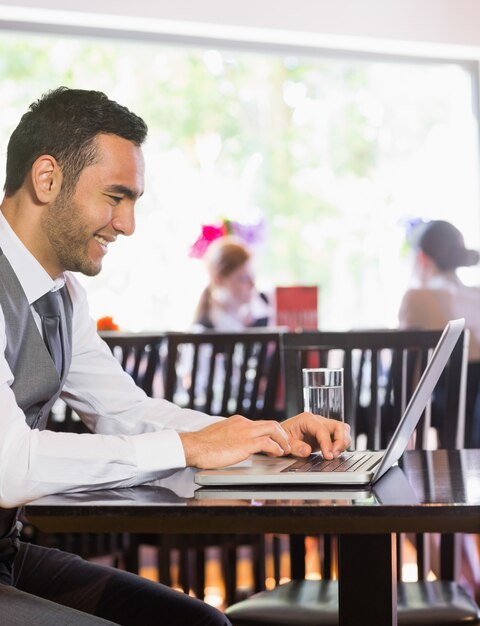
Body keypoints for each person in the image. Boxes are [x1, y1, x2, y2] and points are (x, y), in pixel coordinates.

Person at [0, 87, 351, 626]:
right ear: (47, 179)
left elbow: (127, 411)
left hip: (7, 558)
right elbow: (8, 467)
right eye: (115, 197)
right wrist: (188, 447)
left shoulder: (64, 297)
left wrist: (264, 434)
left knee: (204, 624)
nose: (127, 224)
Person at [398, 219, 480, 448]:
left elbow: (407, 370)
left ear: (422, 257)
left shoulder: (417, 297)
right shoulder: (476, 295)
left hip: (445, 413)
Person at [192, 236, 272, 331]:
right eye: (244, 278)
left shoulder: (264, 309)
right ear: (219, 280)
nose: (252, 285)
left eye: (253, 276)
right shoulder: (205, 329)